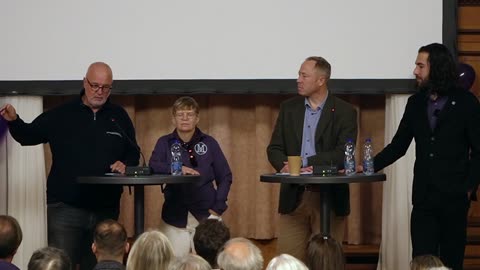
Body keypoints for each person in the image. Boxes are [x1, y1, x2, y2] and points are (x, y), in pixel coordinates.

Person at [0, 62, 140, 270]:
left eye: (106, 87)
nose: (100, 92)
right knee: (59, 266)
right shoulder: (62, 114)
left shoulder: (118, 116)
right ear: (84, 82)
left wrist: (126, 164)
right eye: (95, 85)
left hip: (105, 209)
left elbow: (134, 153)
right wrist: (14, 121)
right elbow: (28, 135)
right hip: (65, 208)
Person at [370, 43, 480, 270]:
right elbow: (398, 146)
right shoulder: (415, 103)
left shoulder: (467, 103)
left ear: (436, 67)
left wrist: (469, 188)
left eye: (420, 65)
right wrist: (368, 165)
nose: (415, 71)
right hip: (424, 200)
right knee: (421, 262)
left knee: (452, 262)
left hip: (454, 200)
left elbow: (479, 150)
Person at [267, 56, 357, 261]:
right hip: (294, 197)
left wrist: (304, 163)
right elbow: (274, 148)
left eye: (304, 75)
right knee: (287, 261)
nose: (298, 79)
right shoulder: (289, 108)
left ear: (321, 80)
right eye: (299, 74)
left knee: (326, 262)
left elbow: (344, 153)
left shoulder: (344, 111)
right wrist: (284, 165)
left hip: (329, 198)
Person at [149, 96, 233, 257]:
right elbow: (153, 165)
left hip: (206, 215)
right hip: (174, 216)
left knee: (212, 264)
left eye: (190, 114)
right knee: (171, 265)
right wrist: (178, 168)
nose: (185, 118)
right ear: (173, 119)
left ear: (197, 118)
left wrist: (217, 209)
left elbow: (225, 176)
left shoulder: (209, 143)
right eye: (181, 115)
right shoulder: (164, 143)